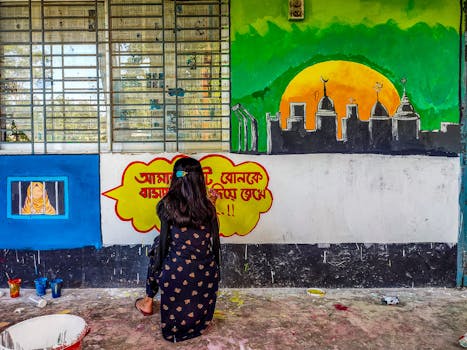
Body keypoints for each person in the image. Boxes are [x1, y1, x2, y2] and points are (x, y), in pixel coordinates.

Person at [135, 157, 221, 342]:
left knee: (158, 245)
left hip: (176, 275)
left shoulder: (167, 206)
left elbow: (164, 246)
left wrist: (157, 273)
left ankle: (148, 300)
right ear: (200, 180)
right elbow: (214, 243)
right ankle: (198, 319)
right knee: (165, 246)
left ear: (175, 178)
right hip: (206, 276)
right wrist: (211, 203)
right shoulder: (209, 207)